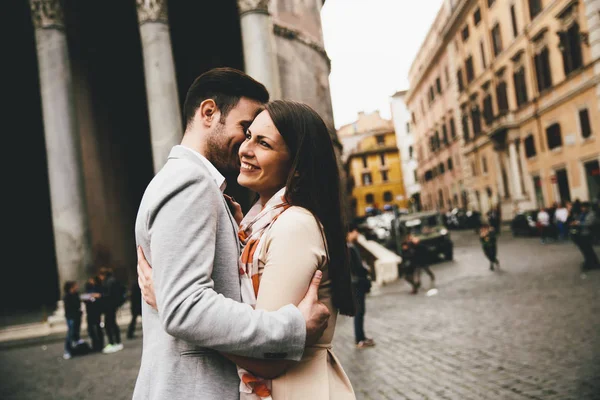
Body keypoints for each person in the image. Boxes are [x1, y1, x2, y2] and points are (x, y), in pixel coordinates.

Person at [133, 69, 332, 400]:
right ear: (209, 113)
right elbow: (184, 306)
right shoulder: (191, 183)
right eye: (245, 129)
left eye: (260, 138)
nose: (244, 144)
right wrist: (293, 327)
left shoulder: (189, 182)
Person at [347, 223, 375, 349]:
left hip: (356, 283)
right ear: (351, 232)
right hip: (356, 283)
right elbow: (356, 267)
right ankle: (359, 339)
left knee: (360, 311)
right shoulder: (349, 248)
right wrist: (365, 270)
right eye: (356, 232)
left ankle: (361, 337)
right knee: (359, 311)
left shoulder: (351, 247)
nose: (357, 234)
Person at [98, 267, 123, 354]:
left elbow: (108, 294)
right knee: (112, 324)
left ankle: (113, 342)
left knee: (109, 325)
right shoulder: (112, 280)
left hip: (109, 306)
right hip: (112, 306)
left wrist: (100, 296)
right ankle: (116, 342)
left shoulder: (108, 282)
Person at [570, 202, 600, 271]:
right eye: (582, 207)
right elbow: (579, 220)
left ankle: (592, 263)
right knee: (585, 250)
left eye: (584, 207)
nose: (583, 208)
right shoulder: (582, 214)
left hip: (587, 234)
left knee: (588, 249)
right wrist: (575, 222)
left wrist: (578, 223)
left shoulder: (591, 214)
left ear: (588, 207)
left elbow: (589, 223)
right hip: (581, 234)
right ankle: (590, 262)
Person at [82, 276, 104, 352]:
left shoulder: (98, 288)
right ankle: (95, 345)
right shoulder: (88, 288)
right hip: (90, 311)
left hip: (96, 311)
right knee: (91, 329)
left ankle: (100, 345)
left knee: (97, 328)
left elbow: (101, 297)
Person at [62, 281, 83, 360]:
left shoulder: (76, 294)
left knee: (75, 331)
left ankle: (75, 346)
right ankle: (67, 350)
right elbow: (70, 307)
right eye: (75, 286)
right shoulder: (67, 296)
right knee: (70, 333)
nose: (77, 287)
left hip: (76, 316)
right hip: (71, 317)